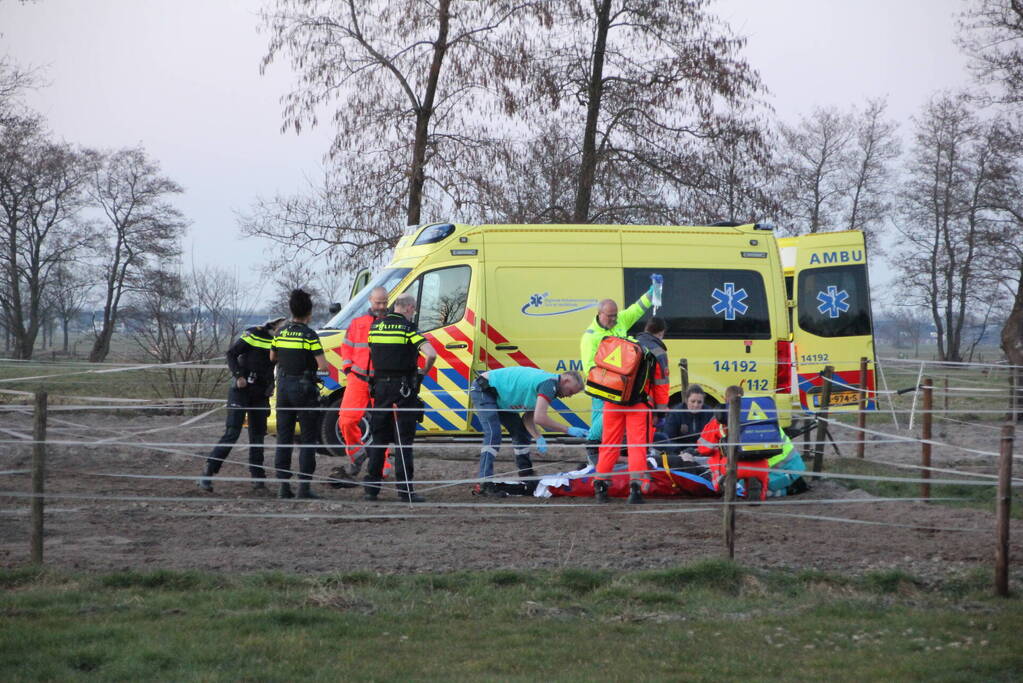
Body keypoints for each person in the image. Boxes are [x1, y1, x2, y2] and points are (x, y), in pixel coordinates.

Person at [363, 292, 437, 502]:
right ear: (409, 308)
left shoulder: (375, 327)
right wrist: (423, 372)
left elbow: (372, 351)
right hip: (403, 389)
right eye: (412, 310)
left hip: (380, 388)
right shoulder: (408, 329)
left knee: (378, 439)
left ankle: (371, 489)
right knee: (403, 440)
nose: (412, 313)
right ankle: (405, 491)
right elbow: (430, 353)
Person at [198, 316, 286, 493]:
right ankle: (208, 471)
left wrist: (271, 385)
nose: (282, 331)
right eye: (281, 328)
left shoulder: (279, 342)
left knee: (257, 436)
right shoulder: (253, 334)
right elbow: (231, 353)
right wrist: (238, 376)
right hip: (241, 391)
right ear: (273, 325)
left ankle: (258, 479)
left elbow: (275, 366)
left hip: (261, 394)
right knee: (232, 432)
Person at [469, 368, 587, 496]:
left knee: (521, 434)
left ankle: (527, 476)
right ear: (566, 380)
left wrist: (537, 436)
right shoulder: (549, 384)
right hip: (485, 389)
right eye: (570, 391)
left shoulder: (549, 386)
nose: (568, 396)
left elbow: (529, 417)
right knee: (493, 434)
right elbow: (540, 418)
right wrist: (568, 430)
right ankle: (484, 483)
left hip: (498, 396)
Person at [580, 277, 659, 464]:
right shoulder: (591, 337)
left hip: (623, 385)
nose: (615, 319)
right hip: (603, 386)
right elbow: (589, 367)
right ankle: (592, 448)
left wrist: (652, 292)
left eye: (615, 315)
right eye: (610, 316)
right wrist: (614, 380)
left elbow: (637, 308)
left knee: (611, 422)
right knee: (603, 420)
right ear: (600, 314)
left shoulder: (620, 321)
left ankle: (605, 456)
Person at [593, 330, 670, 505]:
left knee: (609, 444)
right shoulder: (658, 351)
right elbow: (661, 385)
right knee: (637, 446)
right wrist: (660, 411)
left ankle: (600, 484)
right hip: (638, 404)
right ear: (660, 334)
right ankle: (635, 488)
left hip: (613, 401)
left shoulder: (625, 343)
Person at [271, 288, 330, 500]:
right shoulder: (309, 334)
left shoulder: (280, 332)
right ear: (309, 313)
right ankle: (304, 487)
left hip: (284, 388)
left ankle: (283, 486)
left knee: (284, 437)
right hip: (304, 389)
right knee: (307, 438)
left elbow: (272, 357)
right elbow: (322, 365)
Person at [336, 286, 390, 476]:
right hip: (358, 379)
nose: (381, 306)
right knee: (346, 421)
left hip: (383, 381)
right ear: (370, 300)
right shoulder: (357, 323)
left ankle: (381, 467)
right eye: (378, 302)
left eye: (384, 302)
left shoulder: (392, 323)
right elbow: (347, 347)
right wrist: (348, 368)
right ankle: (357, 454)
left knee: (382, 425)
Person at [696, 385, 770, 502]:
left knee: (715, 459)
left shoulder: (719, 420)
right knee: (758, 476)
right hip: (760, 465)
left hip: (732, 466)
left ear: (726, 399)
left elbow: (705, 449)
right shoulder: (758, 416)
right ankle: (754, 491)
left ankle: (727, 490)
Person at [655, 384, 714, 457]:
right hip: (680, 454)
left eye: (699, 402)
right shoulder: (675, 413)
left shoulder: (709, 413)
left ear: (703, 402)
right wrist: (681, 452)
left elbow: (713, 438)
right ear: (686, 400)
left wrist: (699, 450)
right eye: (693, 401)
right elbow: (668, 439)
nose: (696, 405)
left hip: (703, 453)